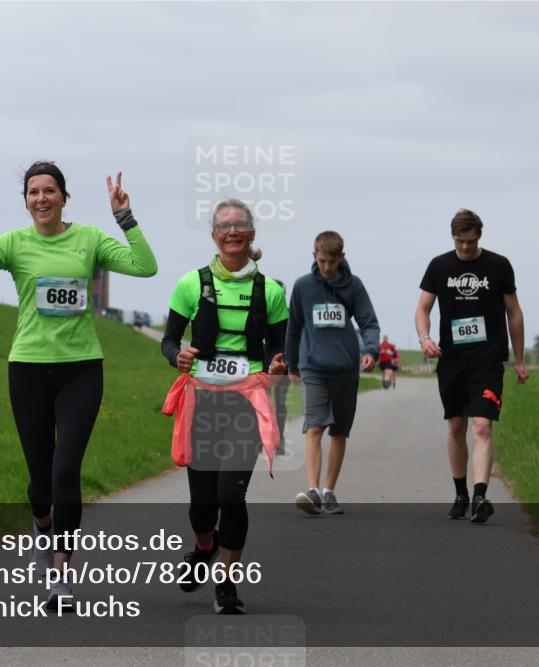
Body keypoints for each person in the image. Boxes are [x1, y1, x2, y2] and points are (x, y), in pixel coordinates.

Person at [0, 162, 158, 608]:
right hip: (29, 370)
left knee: (65, 472)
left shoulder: (90, 240)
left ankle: (61, 576)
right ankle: (42, 525)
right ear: (25, 201)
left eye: (50, 190)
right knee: (40, 482)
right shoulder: (14, 244)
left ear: (64, 197)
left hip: (81, 370)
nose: (42, 198)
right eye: (33, 192)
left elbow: (145, 267)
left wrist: (125, 219)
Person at [161, 199, 288, 614]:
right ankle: (205, 546)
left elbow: (279, 346)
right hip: (202, 401)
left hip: (245, 402)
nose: (232, 232)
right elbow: (169, 340)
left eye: (240, 226)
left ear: (252, 234)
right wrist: (175, 356)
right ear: (213, 235)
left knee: (231, 494)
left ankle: (226, 584)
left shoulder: (270, 291)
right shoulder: (190, 285)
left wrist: (278, 361)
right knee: (202, 506)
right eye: (224, 226)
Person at [414, 208, 528, 524]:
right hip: (452, 360)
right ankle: (461, 493)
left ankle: (480, 496)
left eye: (470, 241)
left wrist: (519, 359)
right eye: (459, 241)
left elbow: (514, 313)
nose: (464, 248)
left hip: (488, 359)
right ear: (453, 237)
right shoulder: (439, 266)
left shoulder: (498, 265)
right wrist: (424, 338)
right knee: (456, 425)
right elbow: (423, 308)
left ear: (479, 237)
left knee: (482, 425)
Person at [286, 231, 380, 516]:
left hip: (345, 369)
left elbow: (369, 323)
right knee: (314, 426)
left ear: (342, 258)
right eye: (322, 260)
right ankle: (312, 490)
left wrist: (371, 351)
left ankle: (329, 492)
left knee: (339, 431)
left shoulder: (354, 286)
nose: (327, 267)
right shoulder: (303, 287)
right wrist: (291, 364)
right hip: (312, 367)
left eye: (332, 261)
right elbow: (293, 327)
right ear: (314, 256)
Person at [268, 279, 291, 455]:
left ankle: (280, 440)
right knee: (262, 403)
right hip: (261, 366)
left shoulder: (290, 316)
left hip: (283, 366)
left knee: (280, 404)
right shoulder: (260, 312)